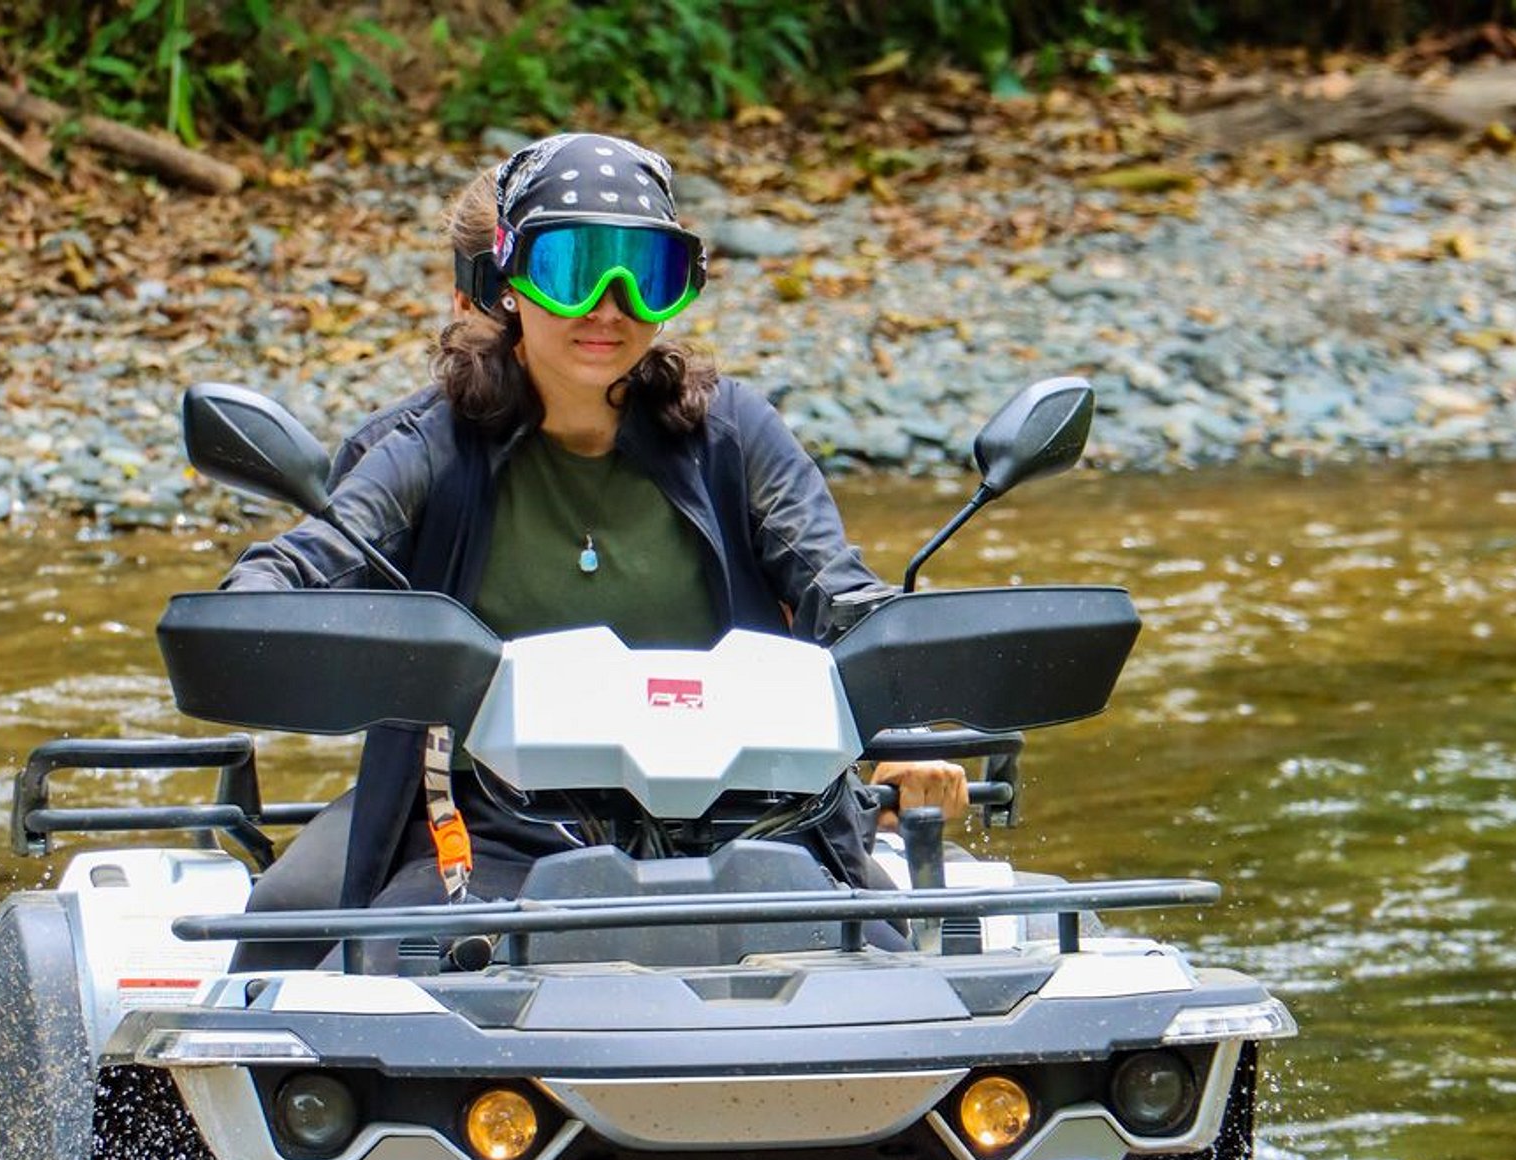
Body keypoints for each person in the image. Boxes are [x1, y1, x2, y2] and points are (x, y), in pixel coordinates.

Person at [222, 132, 966, 947]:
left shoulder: (736, 433)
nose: (610, 307)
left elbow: (841, 593)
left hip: (751, 820)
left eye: (644, 273)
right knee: (339, 947)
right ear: (509, 280)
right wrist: (258, 620)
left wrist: (907, 732)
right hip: (494, 825)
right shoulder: (425, 447)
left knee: (896, 969)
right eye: (573, 271)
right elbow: (301, 567)